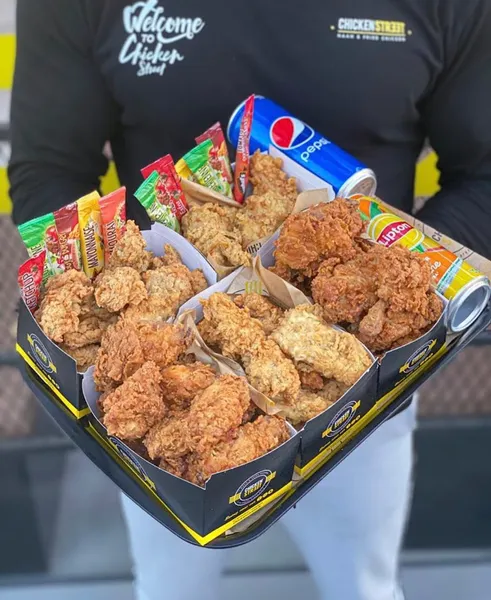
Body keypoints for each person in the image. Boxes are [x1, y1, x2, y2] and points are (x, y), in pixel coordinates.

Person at [8, 1, 491, 599]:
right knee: (169, 589)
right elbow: (46, 166)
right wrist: (98, 305)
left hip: (366, 392)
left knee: (363, 587)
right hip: (157, 390)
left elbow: (484, 172)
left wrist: (393, 294)